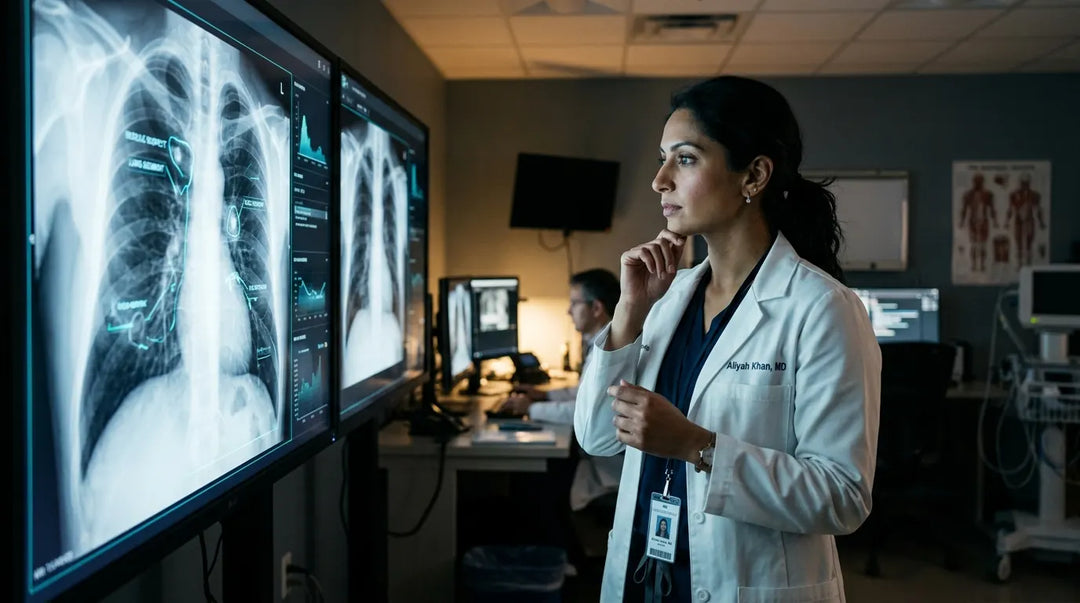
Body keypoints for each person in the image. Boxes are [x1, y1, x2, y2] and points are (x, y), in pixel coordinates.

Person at [574, 76, 881, 603]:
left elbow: (842, 497)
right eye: (663, 159)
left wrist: (696, 446)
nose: (660, 181)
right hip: (644, 579)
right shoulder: (666, 298)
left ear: (754, 175)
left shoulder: (821, 308)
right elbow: (598, 438)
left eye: (685, 159)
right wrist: (629, 313)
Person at [499, 268, 624, 511]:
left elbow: (584, 411)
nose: (568, 311)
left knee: (534, 482)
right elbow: (585, 393)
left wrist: (531, 408)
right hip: (598, 456)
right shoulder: (602, 342)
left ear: (596, 308)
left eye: (574, 303)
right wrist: (544, 395)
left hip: (607, 468)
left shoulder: (610, 350)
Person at [958, 172, 996, 272]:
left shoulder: (987, 194)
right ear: (974, 182)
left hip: (984, 221)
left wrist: (995, 221)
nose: (978, 184)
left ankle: (982, 264)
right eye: (976, 182)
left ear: (982, 182)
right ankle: (974, 265)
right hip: (973, 221)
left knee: (982, 244)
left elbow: (992, 209)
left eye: (980, 182)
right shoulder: (968, 195)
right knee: (974, 244)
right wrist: (962, 221)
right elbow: (964, 209)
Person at [1005, 172, 1045, 267]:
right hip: (1018, 220)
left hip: (1029, 220)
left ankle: (1028, 263)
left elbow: (1038, 209)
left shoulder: (1034, 195)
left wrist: (1041, 222)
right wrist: (1007, 221)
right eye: (1023, 183)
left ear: (1029, 183)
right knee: (1019, 243)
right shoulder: (1014, 194)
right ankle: (1019, 263)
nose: (1025, 185)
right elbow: (1010, 209)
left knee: (1029, 243)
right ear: (1020, 183)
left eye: (1026, 183)